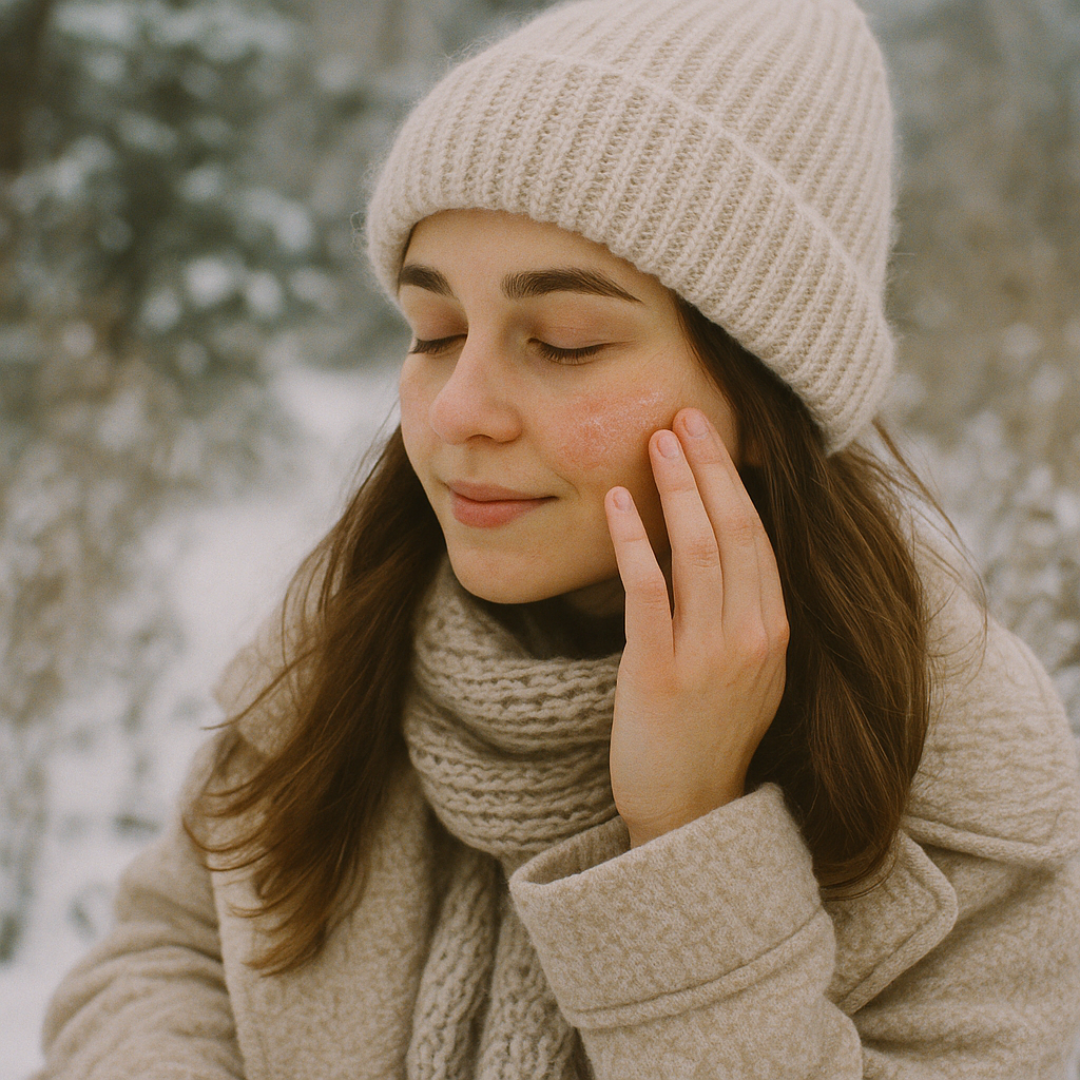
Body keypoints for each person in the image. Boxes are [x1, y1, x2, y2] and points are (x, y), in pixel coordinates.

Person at [36, 0, 1080, 1076]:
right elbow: (163, 954)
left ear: (765, 399)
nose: (458, 412)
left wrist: (687, 831)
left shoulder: (958, 776)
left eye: (566, 343)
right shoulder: (348, 633)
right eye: (433, 332)